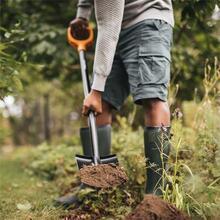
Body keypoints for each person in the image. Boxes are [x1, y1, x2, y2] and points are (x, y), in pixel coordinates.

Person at [56, 0, 174, 207]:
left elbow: (109, 25)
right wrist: (82, 14)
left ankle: (156, 198)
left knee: (152, 97)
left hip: (148, 21)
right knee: (100, 103)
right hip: (117, 27)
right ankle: (94, 187)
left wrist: (96, 90)